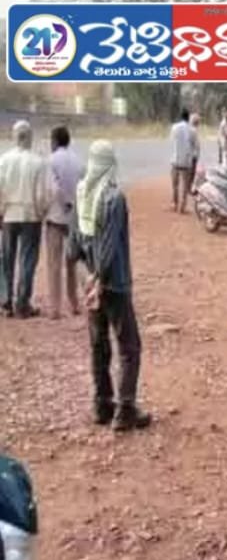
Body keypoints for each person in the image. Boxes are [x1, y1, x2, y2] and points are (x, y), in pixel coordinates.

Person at [68, 140, 150, 430]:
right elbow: (110, 244)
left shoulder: (81, 193)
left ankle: (102, 405)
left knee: (98, 345)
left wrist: (87, 281)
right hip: (113, 283)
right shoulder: (113, 197)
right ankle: (125, 409)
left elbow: (73, 245)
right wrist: (100, 278)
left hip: (90, 283)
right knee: (130, 346)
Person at [0, 120, 51, 318]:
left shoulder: (3, 161)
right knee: (28, 259)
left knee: (7, 259)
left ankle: (6, 302)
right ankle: (23, 303)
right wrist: (41, 212)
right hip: (31, 215)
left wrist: (1, 211)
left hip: (9, 214)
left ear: (14, 137)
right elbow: (43, 194)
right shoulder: (38, 162)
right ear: (30, 138)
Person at [45, 125, 83, 319]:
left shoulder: (51, 161)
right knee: (72, 262)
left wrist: (65, 202)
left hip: (56, 215)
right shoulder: (78, 160)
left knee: (54, 263)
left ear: (54, 141)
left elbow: (54, 188)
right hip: (74, 217)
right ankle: (74, 302)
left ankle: (55, 308)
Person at [169, 108, 197, 213]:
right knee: (185, 185)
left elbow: (172, 141)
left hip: (175, 159)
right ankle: (182, 205)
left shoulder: (174, 127)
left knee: (175, 184)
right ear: (188, 117)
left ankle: (174, 203)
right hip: (187, 161)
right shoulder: (192, 130)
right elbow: (195, 146)